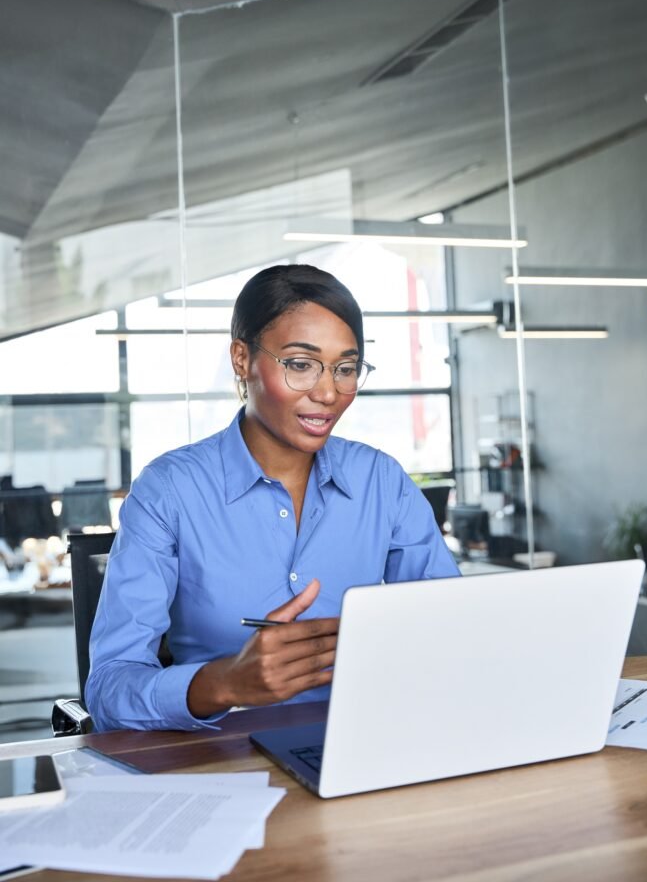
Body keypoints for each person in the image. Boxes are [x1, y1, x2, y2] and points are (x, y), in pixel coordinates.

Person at [86, 264, 460, 731]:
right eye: (300, 365)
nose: (328, 392)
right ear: (242, 360)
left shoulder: (381, 481)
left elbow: (452, 631)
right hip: (220, 761)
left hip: (363, 744)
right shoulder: (170, 491)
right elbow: (108, 690)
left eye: (346, 368)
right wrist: (224, 682)